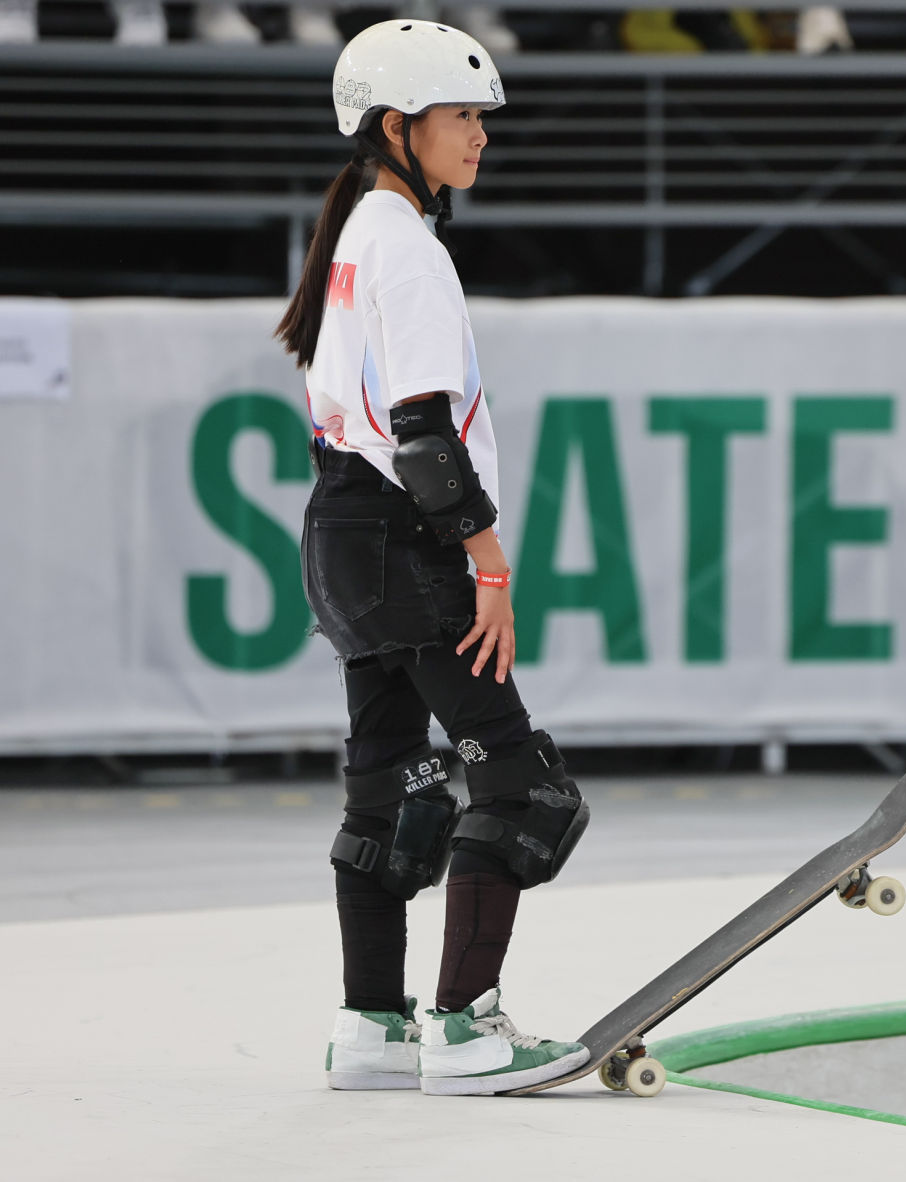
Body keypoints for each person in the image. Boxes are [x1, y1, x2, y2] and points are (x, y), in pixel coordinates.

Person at [275, 18, 590, 1096]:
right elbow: (419, 425)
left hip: (345, 528)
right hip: (404, 535)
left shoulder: (356, 230)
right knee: (521, 783)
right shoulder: (402, 243)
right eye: (462, 118)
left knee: (391, 790)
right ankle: (464, 1029)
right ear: (396, 126)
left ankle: (372, 1028)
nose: (480, 138)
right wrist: (488, 563)